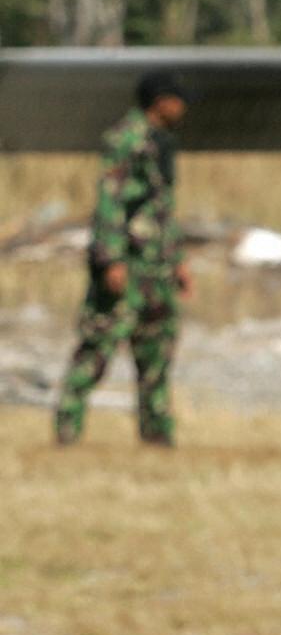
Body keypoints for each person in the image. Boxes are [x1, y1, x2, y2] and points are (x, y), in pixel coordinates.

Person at [55, 70, 193, 447]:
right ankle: (67, 429)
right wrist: (111, 260)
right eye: (177, 99)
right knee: (98, 348)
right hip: (127, 265)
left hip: (156, 269)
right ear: (160, 100)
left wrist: (177, 259)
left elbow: (162, 208)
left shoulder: (161, 142)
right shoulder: (125, 140)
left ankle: (157, 436)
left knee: (156, 351)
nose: (183, 107)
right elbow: (109, 203)